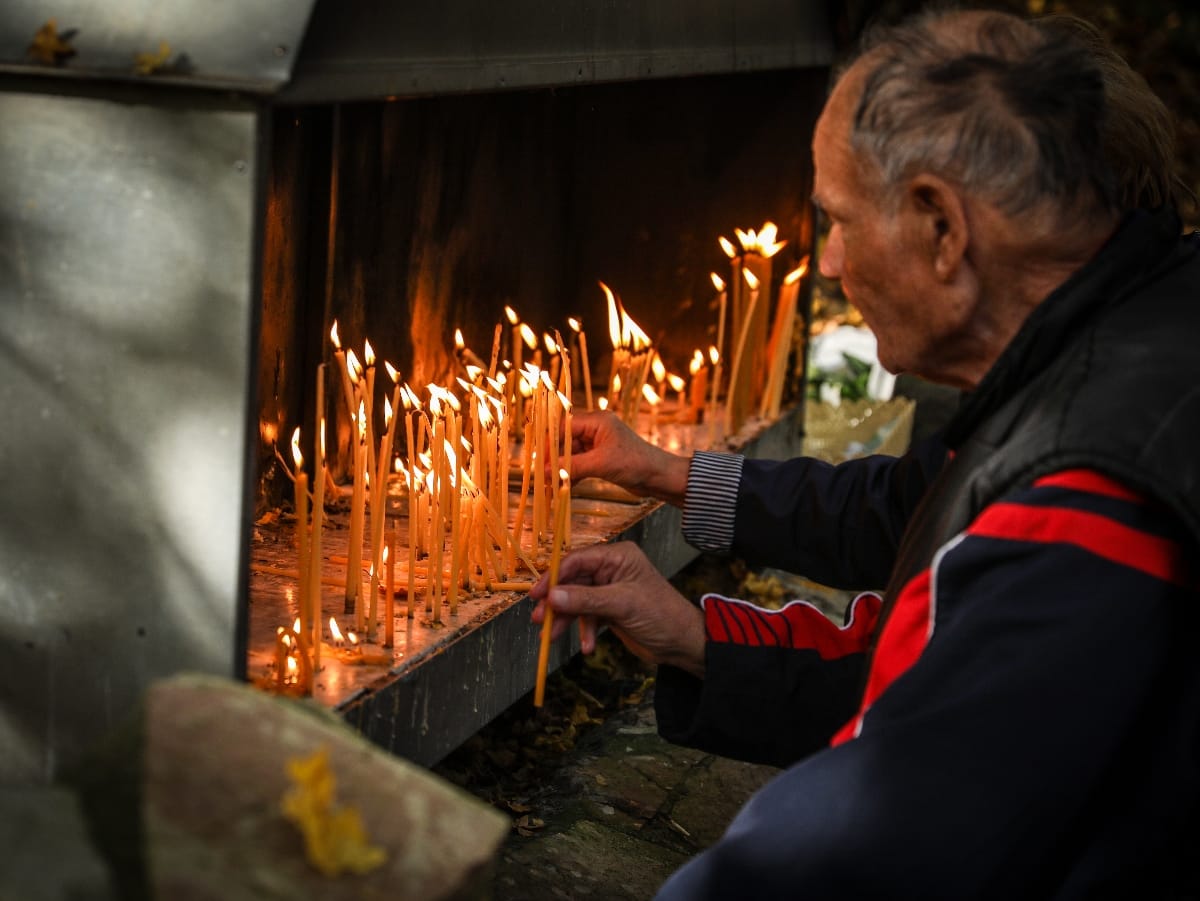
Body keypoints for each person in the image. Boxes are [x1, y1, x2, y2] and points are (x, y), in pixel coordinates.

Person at [530, 7, 1200, 899]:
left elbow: (871, 839)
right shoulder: (1115, 343)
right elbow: (909, 518)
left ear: (941, 229)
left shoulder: (1090, 493)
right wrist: (691, 590)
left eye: (840, 220)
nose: (832, 261)